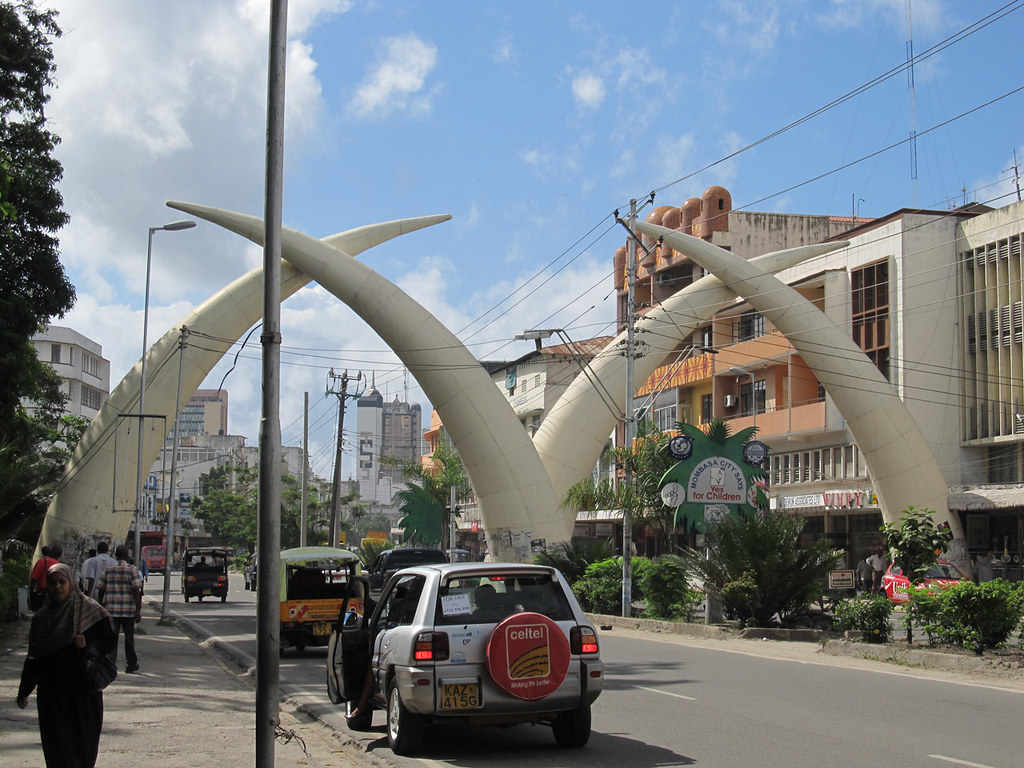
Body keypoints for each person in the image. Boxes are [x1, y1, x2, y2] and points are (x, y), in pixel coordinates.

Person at [17, 562, 115, 768]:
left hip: (83, 692)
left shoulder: (90, 611)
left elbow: (109, 642)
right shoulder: (42, 619)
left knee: (83, 747)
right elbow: (34, 658)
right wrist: (24, 691)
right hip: (52, 694)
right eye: (52, 583)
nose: (58, 587)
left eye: (62, 582)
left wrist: (88, 644)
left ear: (71, 583)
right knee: (57, 748)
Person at [96, 545, 143, 674]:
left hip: (111, 610)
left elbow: (101, 589)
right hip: (128, 611)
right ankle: (131, 664)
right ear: (127, 555)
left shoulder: (108, 569)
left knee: (112, 638)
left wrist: (101, 605)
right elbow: (137, 591)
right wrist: (138, 611)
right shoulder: (132, 570)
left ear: (115, 555)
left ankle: (111, 664)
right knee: (129, 639)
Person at [29, 544, 63, 610]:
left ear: (51, 552)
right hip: (55, 596)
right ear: (60, 555)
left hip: (41, 595)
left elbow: (34, 579)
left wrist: (31, 592)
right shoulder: (61, 565)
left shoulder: (41, 561)